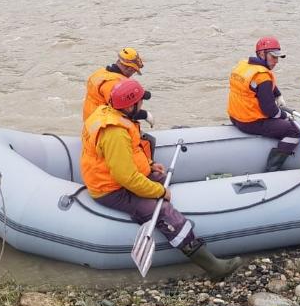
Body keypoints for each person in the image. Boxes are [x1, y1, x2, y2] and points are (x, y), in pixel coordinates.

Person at [81, 78, 244, 280]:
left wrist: (148, 166)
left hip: (114, 176)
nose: (142, 104)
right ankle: (213, 267)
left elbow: (128, 155)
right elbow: (126, 177)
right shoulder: (114, 133)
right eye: (140, 101)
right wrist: (159, 192)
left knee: (161, 177)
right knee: (164, 211)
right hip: (111, 189)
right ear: (130, 105)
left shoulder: (106, 112)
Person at [227, 36, 300, 172]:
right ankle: (272, 168)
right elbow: (270, 111)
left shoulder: (244, 65)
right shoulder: (262, 76)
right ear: (262, 54)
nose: (276, 61)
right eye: (273, 57)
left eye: (278, 58)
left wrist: (277, 94)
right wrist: (285, 116)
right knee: (294, 131)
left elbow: (256, 85)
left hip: (234, 118)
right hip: (250, 122)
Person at [83, 47, 154, 126]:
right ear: (130, 68)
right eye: (134, 71)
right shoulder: (113, 83)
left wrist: (142, 93)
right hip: (102, 124)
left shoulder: (101, 73)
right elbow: (122, 109)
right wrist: (145, 115)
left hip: (91, 119)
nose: (132, 74)